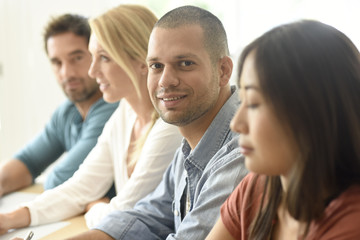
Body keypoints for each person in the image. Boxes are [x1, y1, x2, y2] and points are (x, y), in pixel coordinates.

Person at [64, 5, 248, 240]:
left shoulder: (241, 152)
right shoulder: (189, 144)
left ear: (223, 70)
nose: (166, 81)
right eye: (156, 66)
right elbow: (145, 218)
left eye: (185, 64)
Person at [0, 4, 182, 233]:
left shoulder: (169, 125)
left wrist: (95, 206)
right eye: (92, 57)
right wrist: (8, 219)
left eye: (104, 58)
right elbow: (81, 186)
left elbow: (121, 215)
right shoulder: (125, 113)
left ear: (141, 61)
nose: (92, 71)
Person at [206, 20, 360, 240]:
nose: (236, 124)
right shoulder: (258, 187)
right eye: (242, 102)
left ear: (312, 112)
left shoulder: (352, 223)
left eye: (254, 103)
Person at [0, 14, 118, 196]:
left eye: (77, 58)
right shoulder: (67, 112)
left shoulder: (113, 108)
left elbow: (62, 180)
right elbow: (28, 161)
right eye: (57, 62)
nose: (66, 73)